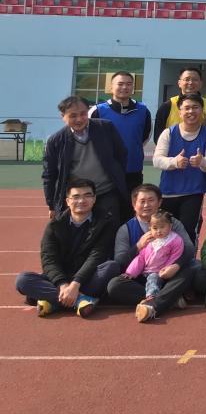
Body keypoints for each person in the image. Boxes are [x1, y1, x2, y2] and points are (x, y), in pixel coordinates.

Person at [17, 178, 118, 317]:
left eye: (87, 195)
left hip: (86, 278)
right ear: (68, 201)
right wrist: (63, 285)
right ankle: (81, 300)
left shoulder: (105, 223)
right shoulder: (54, 225)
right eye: (76, 197)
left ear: (94, 199)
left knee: (111, 267)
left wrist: (76, 284)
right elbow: (49, 259)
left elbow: (97, 256)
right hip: (60, 278)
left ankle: (53, 301)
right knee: (23, 280)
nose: (81, 201)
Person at [105, 183, 198, 323]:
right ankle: (168, 300)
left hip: (168, 274)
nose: (146, 205)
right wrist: (138, 246)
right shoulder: (126, 229)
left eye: (151, 200)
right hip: (141, 278)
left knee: (192, 267)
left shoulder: (172, 223)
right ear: (134, 204)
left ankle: (155, 303)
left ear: (159, 203)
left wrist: (176, 266)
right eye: (142, 201)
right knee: (114, 285)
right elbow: (120, 261)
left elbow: (189, 249)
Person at [43, 95, 128, 223]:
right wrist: (51, 204)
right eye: (73, 116)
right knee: (78, 231)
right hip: (77, 197)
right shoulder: (56, 141)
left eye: (83, 114)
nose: (79, 119)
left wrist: (117, 175)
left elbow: (121, 155)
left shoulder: (106, 128)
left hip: (106, 192)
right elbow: (49, 174)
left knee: (109, 229)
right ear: (63, 116)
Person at [152, 92, 206, 243]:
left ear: (202, 111)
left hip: (193, 192)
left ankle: (188, 258)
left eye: (195, 107)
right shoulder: (168, 133)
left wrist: (201, 161)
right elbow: (157, 160)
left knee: (187, 233)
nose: (191, 111)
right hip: (168, 192)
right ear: (180, 112)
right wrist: (175, 162)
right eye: (186, 108)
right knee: (165, 233)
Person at [89, 70, 151, 192]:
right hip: (104, 172)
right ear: (111, 87)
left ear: (133, 88)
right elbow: (88, 138)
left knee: (131, 204)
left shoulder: (143, 111)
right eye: (120, 84)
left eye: (129, 84)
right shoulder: (97, 111)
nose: (124, 87)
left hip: (133, 171)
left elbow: (144, 136)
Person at [122, 210, 184, 316]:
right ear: (150, 228)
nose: (158, 231)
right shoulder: (149, 241)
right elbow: (141, 258)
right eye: (155, 228)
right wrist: (130, 273)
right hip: (145, 272)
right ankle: (172, 300)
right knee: (121, 283)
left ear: (170, 226)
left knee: (153, 279)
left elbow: (175, 256)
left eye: (162, 227)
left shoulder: (175, 240)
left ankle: (151, 299)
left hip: (160, 273)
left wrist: (166, 269)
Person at [153, 67, 206, 137]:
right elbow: (158, 136)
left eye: (195, 80)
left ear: (201, 83)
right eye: (187, 79)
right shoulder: (167, 106)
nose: (191, 82)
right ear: (179, 83)